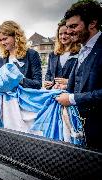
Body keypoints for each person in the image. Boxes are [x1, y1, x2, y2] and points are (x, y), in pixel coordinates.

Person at [56, 0, 102, 151]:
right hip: (82, 132)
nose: (68, 32)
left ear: (92, 23)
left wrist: (71, 98)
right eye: (67, 27)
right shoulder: (83, 49)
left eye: (73, 26)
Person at [0, 20, 42, 89]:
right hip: (6, 99)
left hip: (25, 98)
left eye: (5, 39)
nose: (2, 43)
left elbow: (38, 84)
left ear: (16, 36)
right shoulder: (0, 58)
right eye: (0, 40)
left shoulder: (32, 54)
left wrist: (19, 80)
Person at [44, 20, 80, 90]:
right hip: (54, 94)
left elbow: (82, 78)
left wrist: (68, 82)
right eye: (60, 34)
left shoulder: (80, 53)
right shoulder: (53, 54)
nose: (63, 37)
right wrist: (48, 82)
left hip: (70, 96)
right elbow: (49, 73)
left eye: (66, 33)